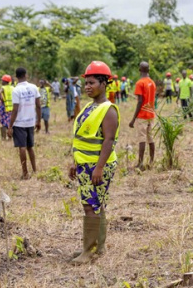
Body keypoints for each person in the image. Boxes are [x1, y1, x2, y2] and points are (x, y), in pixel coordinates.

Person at [68, 61, 119, 264]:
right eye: (86, 83)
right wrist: (75, 162)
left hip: (97, 166)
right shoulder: (91, 107)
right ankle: (98, 247)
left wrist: (98, 167)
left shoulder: (108, 110)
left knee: (90, 206)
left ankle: (88, 251)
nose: (87, 86)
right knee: (96, 205)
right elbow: (82, 136)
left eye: (92, 83)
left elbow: (109, 141)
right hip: (85, 163)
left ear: (103, 83)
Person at [7, 67, 41, 179]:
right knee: (30, 147)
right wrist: (39, 121)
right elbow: (38, 106)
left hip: (19, 123)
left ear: (16, 77)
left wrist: (10, 125)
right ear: (26, 75)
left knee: (22, 147)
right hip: (31, 122)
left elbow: (15, 109)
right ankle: (35, 170)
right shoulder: (34, 87)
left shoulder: (16, 90)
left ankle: (25, 173)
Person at [129, 61, 156, 170]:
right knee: (151, 138)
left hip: (142, 115)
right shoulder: (152, 83)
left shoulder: (140, 83)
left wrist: (133, 119)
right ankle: (151, 161)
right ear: (148, 70)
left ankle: (140, 163)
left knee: (142, 139)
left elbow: (140, 101)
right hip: (151, 114)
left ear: (139, 70)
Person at [0, 75, 14, 140]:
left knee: (3, 122)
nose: (1, 81)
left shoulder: (3, 88)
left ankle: (3, 137)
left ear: (5, 81)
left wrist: (2, 99)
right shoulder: (12, 87)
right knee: (10, 122)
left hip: (4, 106)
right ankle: (10, 137)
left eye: (2, 80)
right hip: (11, 107)